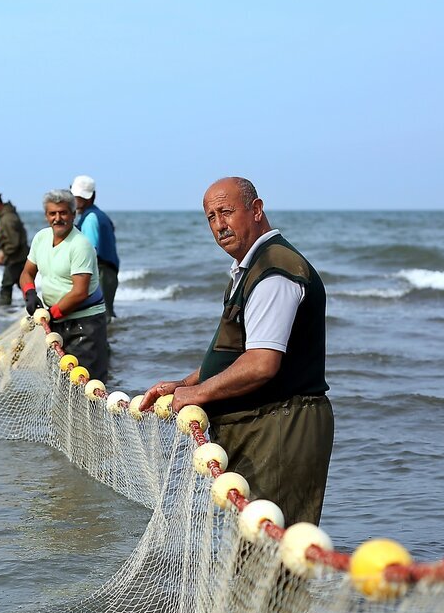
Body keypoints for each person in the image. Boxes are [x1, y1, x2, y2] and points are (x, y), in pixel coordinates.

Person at [140, 177, 332, 526]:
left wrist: (197, 393)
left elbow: (261, 364)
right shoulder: (250, 267)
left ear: (256, 209)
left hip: (281, 428)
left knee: (272, 546)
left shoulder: (275, 271)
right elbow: (238, 354)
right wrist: (183, 383)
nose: (219, 225)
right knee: (252, 544)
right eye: (211, 217)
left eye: (226, 212)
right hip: (262, 426)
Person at [20, 189, 110, 382]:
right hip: (56, 319)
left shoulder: (80, 245)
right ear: (46, 216)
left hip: (85, 326)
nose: (58, 218)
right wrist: (30, 293)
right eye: (53, 213)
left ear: (73, 214)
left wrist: (52, 314)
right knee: (58, 381)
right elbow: (27, 272)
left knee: (86, 384)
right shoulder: (41, 238)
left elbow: (80, 292)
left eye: (63, 213)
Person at [71, 175, 120, 320]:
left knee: (99, 317)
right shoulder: (96, 215)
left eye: (80, 197)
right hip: (107, 271)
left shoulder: (91, 218)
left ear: (91, 197)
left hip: (102, 272)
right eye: (76, 197)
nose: (77, 201)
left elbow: (89, 250)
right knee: (104, 314)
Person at [0, 191, 28, 307]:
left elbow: (13, 243)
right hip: (20, 257)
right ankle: (33, 307)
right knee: (23, 284)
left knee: (6, 286)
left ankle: (3, 312)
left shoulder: (7, 218)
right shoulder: (6, 215)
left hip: (16, 258)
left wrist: (2, 255)